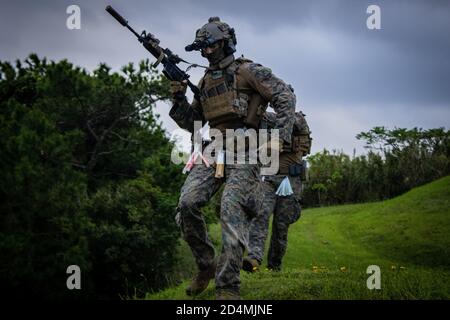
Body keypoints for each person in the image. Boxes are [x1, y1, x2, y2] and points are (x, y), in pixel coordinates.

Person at [169, 17, 296, 300]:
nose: (207, 53)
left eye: (212, 46)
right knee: (187, 204)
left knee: (231, 209)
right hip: (214, 149)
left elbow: (285, 95)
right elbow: (192, 121)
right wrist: (177, 99)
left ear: (225, 43)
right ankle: (205, 266)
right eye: (203, 48)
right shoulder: (204, 80)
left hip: (247, 150)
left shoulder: (248, 71)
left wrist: (281, 138)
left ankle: (227, 287)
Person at [243, 111, 312, 272]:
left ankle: (274, 266)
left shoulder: (299, 119)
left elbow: (289, 122)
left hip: (290, 180)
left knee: (281, 225)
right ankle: (254, 258)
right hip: (268, 178)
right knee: (260, 214)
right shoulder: (266, 119)